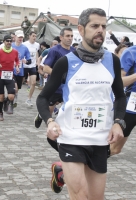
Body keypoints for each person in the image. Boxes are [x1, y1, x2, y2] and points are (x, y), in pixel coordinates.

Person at [37, 8, 126, 199]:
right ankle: (66, 168)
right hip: (71, 137)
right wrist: (50, 121)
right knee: (80, 195)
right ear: (81, 29)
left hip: (100, 139)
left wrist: (118, 122)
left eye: (103, 26)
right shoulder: (66, 62)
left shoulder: (113, 61)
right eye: (95, 26)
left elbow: (120, 96)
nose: (100, 30)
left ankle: (61, 171)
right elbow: (43, 97)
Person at [35, 27, 75, 128]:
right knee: (50, 109)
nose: (70, 38)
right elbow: (46, 68)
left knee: (69, 109)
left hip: (69, 87)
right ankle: (41, 115)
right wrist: (60, 75)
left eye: (71, 36)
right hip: (56, 86)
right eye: (67, 36)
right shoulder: (54, 51)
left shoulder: (75, 51)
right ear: (61, 37)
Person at [109, 45, 136, 156]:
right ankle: (71, 168)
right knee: (115, 148)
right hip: (131, 106)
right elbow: (119, 82)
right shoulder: (130, 53)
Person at [0, 35, 19, 121]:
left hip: (10, 76)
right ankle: (0, 112)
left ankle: (7, 102)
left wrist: (17, 66)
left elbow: (17, 60)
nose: (9, 42)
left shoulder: (15, 52)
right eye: (7, 41)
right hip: (0, 76)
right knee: (1, 97)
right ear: (4, 42)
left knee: (11, 96)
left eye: (10, 41)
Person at [12, 30, 31, 107]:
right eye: (19, 37)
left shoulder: (25, 48)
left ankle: (14, 98)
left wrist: (25, 61)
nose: (20, 39)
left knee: (17, 88)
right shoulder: (10, 46)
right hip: (11, 70)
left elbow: (29, 60)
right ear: (15, 37)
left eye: (22, 37)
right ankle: (11, 100)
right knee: (14, 87)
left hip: (20, 71)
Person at [23, 31, 40, 106]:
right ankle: (15, 94)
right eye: (33, 36)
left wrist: (37, 61)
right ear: (29, 36)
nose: (34, 38)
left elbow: (36, 52)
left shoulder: (37, 44)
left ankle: (29, 99)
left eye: (35, 36)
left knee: (33, 82)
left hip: (32, 66)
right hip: (24, 65)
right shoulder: (24, 44)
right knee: (19, 82)